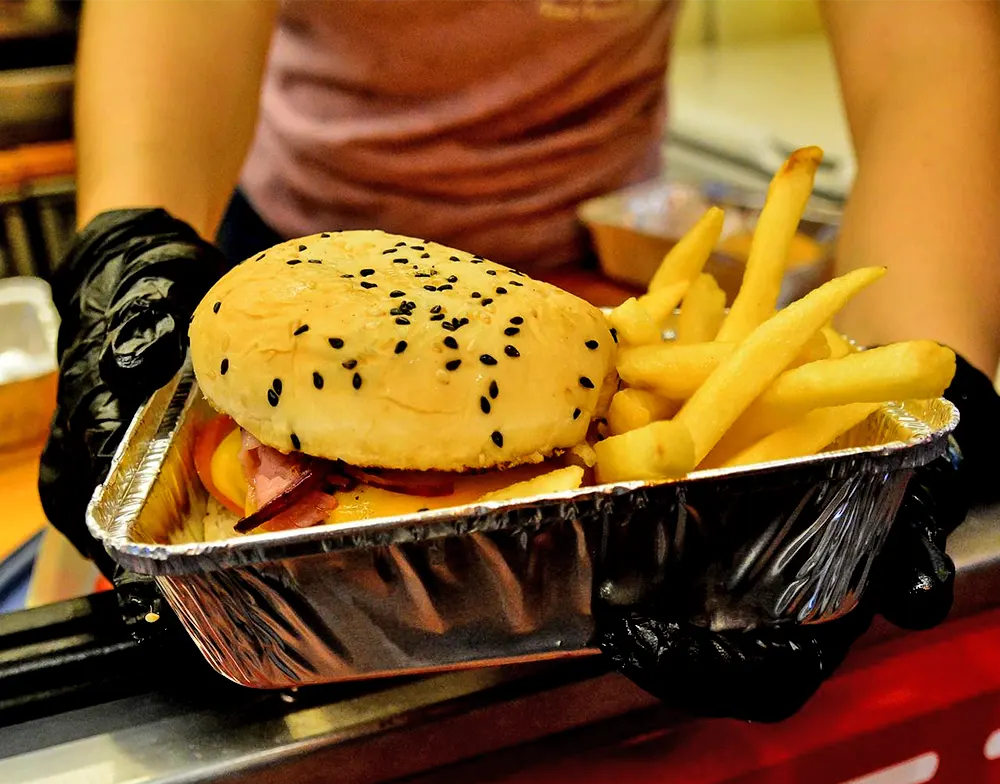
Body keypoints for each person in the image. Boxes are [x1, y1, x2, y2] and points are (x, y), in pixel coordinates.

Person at [39, 0, 1000, 721]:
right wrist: (131, 243)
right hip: (286, 298)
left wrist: (931, 383)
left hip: (598, 302)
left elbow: (925, 53)